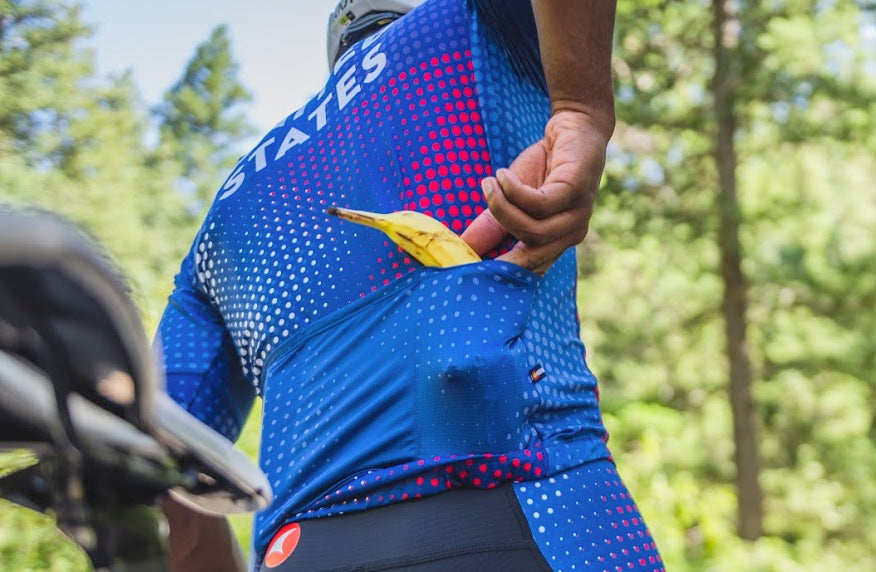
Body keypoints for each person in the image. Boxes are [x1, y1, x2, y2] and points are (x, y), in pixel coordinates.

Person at [157, 0, 664, 570]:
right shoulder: (469, 25)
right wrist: (581, 109)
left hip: (297, 549)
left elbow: (159, 466)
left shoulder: (224, 212)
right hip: (525, 505)